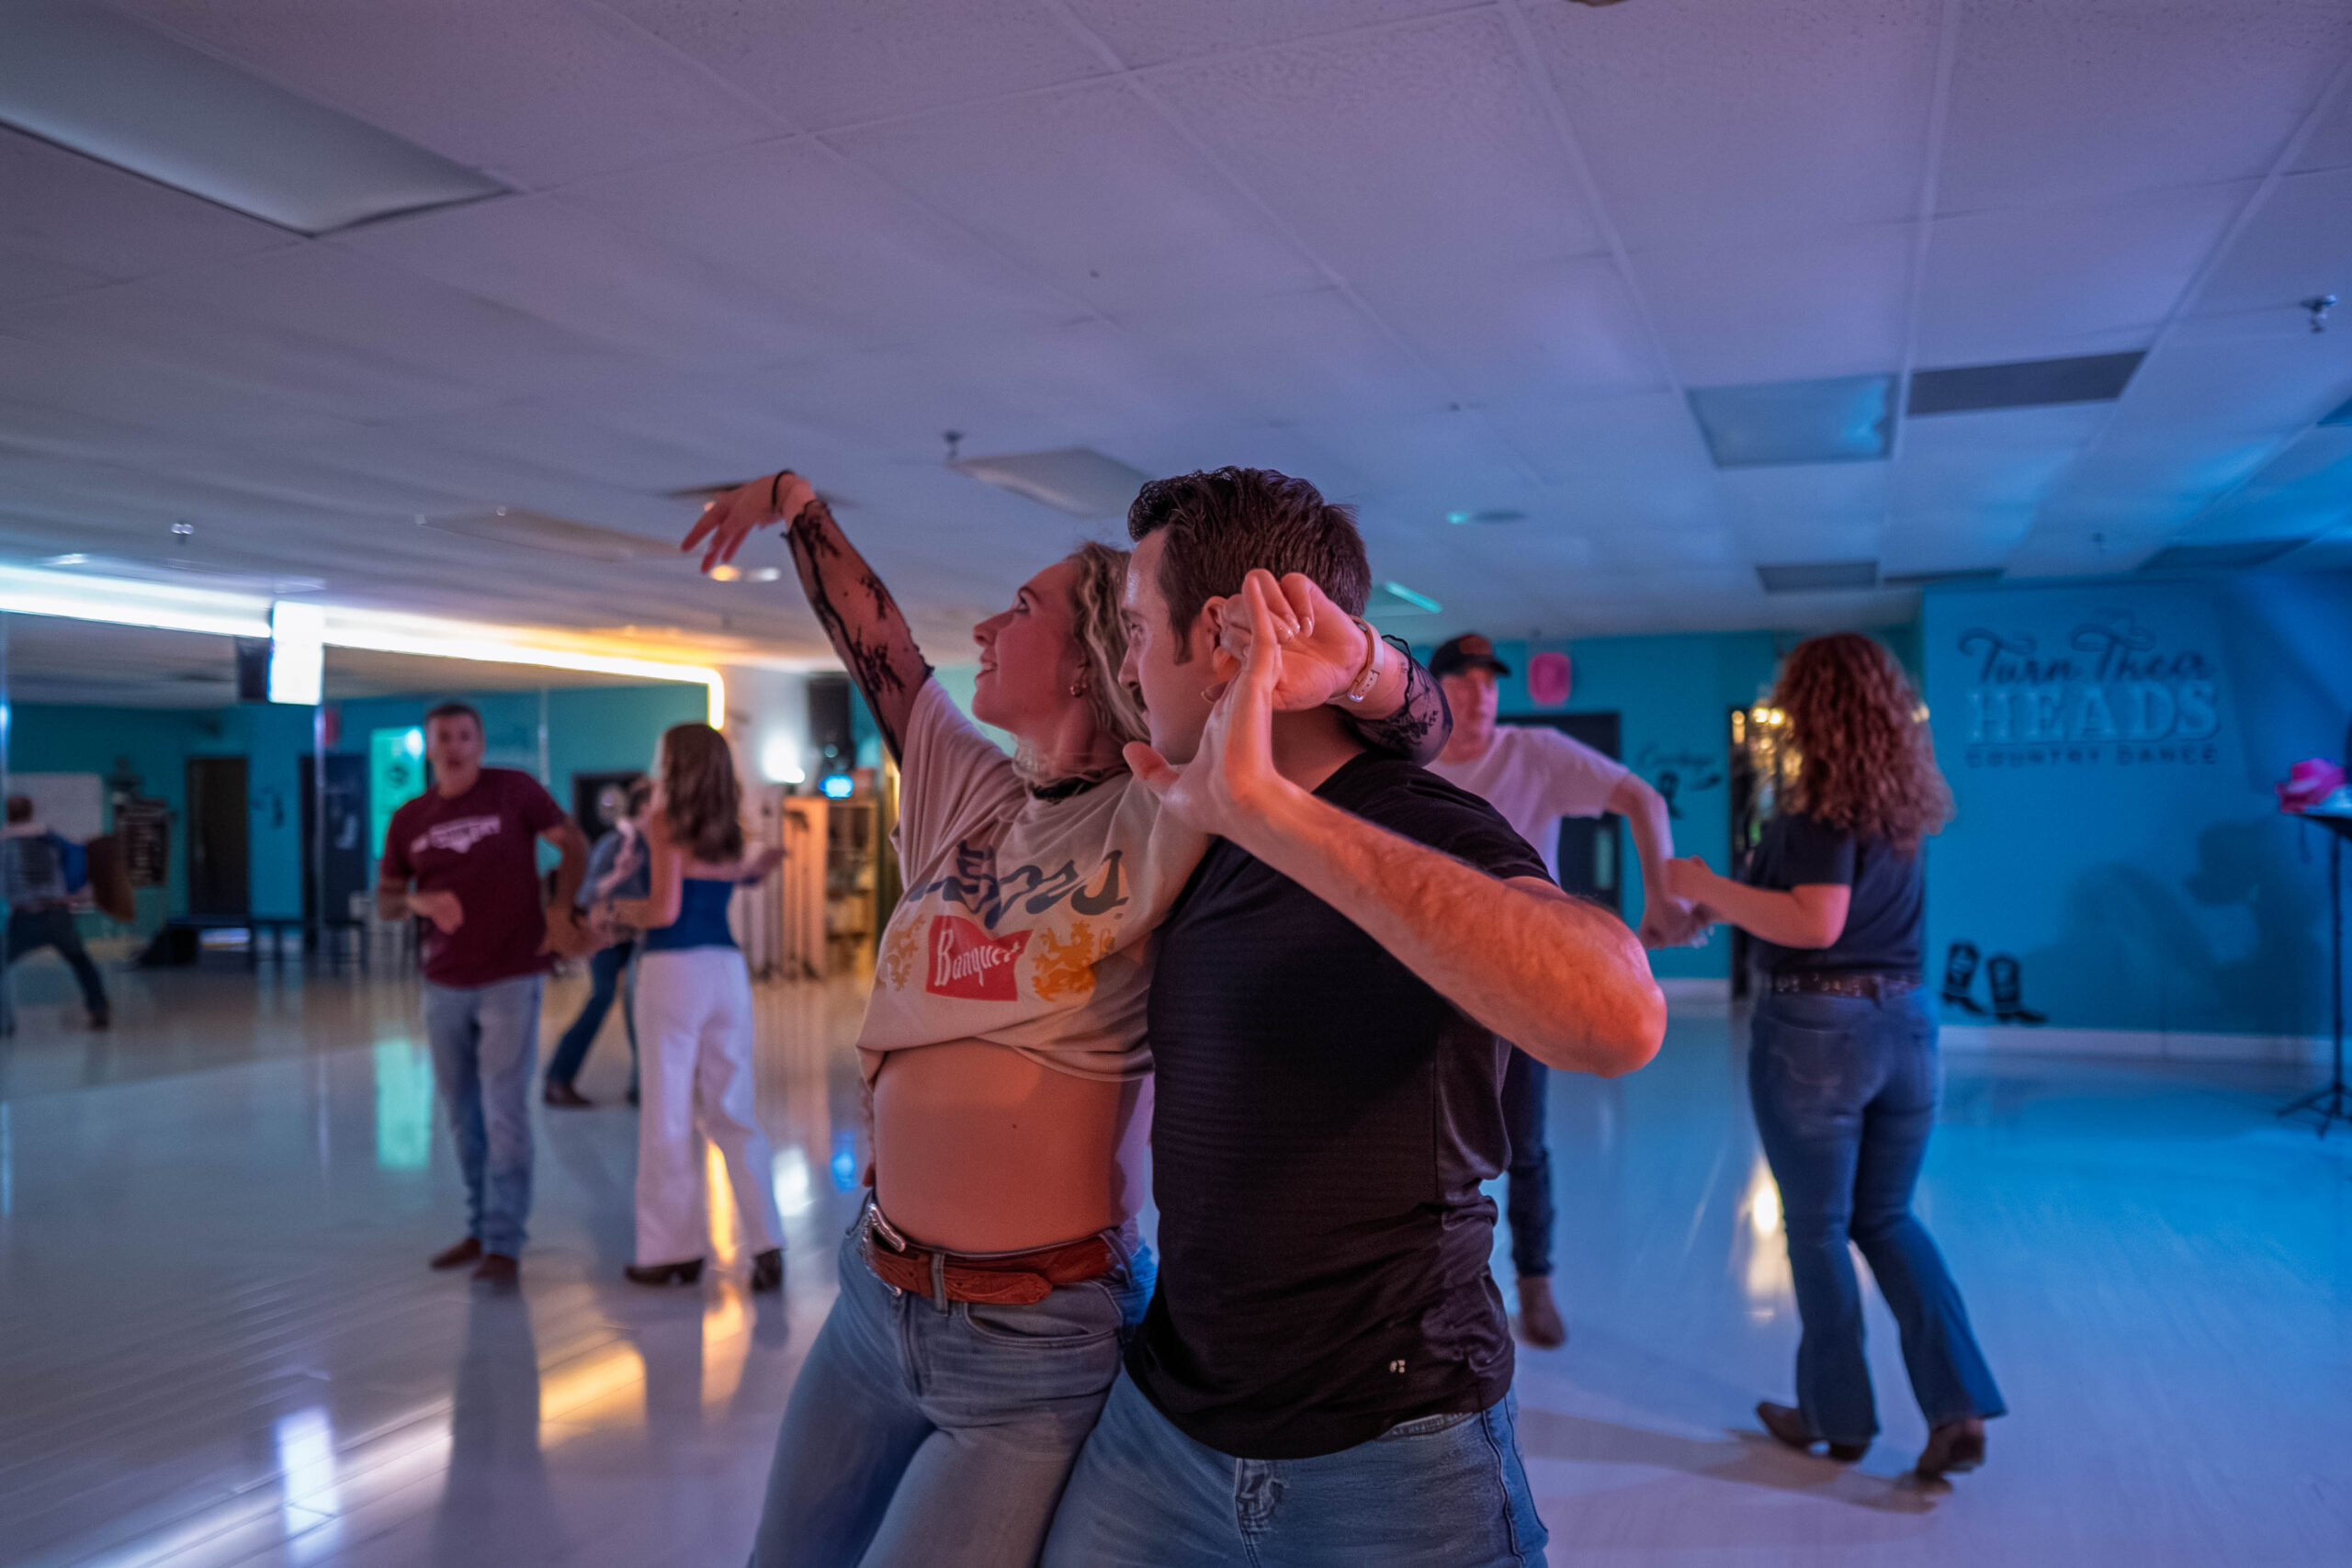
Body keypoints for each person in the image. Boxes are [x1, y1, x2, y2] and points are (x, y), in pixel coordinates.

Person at [681, 467, 1450, 1568]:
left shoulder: (1171, 797)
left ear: (1099, 653)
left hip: (1028, 1344)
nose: (985, 627)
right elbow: (882, 647)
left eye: (1023, 607)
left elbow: (1415, 728)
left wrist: (1364, 663)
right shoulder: (964, 790)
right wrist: (800, 510)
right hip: (872, 1295)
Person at [1041, 468, 1665, 1568]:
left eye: (1141, 633)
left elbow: (1618, 1016)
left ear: (1227, 639)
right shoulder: (1187, 824)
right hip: (1168, 1422)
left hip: (1391, 1449)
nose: (1130, 667)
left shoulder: (1413, 818)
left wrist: (1276, 813)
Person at [1662, 632, 2004, 1482]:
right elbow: (1812, 906)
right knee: (1886, 1218)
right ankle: (1957, 1405)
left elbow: (1816, 922)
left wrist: (1702, 884)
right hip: (1907, 1027)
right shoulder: (1903, 809)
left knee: (1817, 1228)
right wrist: (1729, 899)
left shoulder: (1817, 804)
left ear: (1813, 705)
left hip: (1818, 1031)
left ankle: (1836, 1417)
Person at [1426, 632, 1702, 1349]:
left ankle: (1536, 1281)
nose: (1479, 695)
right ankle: (1439, 1288)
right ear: (1438, 691)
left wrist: (1664, 897)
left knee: (1526, 1143)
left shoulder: (1536, 754)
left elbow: (1640, 796)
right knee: (1424, 1144)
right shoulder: (1411, 765)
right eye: (1463, 682)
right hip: (1429, 982)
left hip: (1522, 984)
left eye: (1489, 683)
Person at [378, 703, 593, 1288]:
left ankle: (503, 1241)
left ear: (480, 741)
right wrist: (421, 902)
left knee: (503, 1110)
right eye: (442, 737)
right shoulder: (410, 818)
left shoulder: (512, 791)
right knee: (461, 1113)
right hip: (443, 982)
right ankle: (478, 1225)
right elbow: (387, 900)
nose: (453, 746)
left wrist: (559, 909)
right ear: (429, 746)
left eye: (464, 735)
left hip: (511, 974)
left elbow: (572, 843)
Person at [595, 723, 789, 1292]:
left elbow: (662, 910)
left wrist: (613, 911)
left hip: (672, 969)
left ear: (673, 762)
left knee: (668, 1112)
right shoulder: (726, 828)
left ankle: (669, 1251)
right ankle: (768, 1243)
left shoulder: (663, 821)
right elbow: (723, 880)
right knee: (735, 1108)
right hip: (725, 970)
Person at [543, 779, 651, 1109]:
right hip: (609, 936)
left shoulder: (657, 849)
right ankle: (558, 1077)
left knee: (639, 1007)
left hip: (641, 939)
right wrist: (617, 876)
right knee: (602, 996)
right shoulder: (612, 845)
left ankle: (642, 1085)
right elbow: (587, 894)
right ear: (642, 810)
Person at [2, 795, 109, 1032]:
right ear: (31, 812)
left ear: (7, 813)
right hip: (59, 912)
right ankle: (99, 1009)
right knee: (81, 962)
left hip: (26, 915)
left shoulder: (4, 842)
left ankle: (5, 1022)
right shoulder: (51, 838)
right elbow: (79, 860)